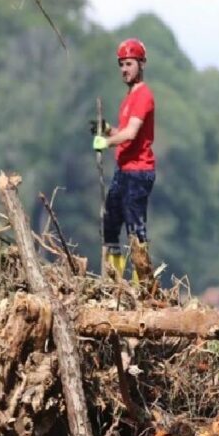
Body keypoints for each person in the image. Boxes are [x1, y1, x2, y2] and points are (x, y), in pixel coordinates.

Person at [91, 38, 156, 282]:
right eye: (121, 65)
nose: (124, 69)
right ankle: (114, 280)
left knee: (136, 231)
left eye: (129, 64)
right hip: (123, 170)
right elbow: (123, 134)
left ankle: (143, 283)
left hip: (139, 172)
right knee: (109, 225)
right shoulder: (128, 98)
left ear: (141, 64)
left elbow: (132, 133)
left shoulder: (143, 96)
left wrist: (105, 143)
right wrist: (107, 130)